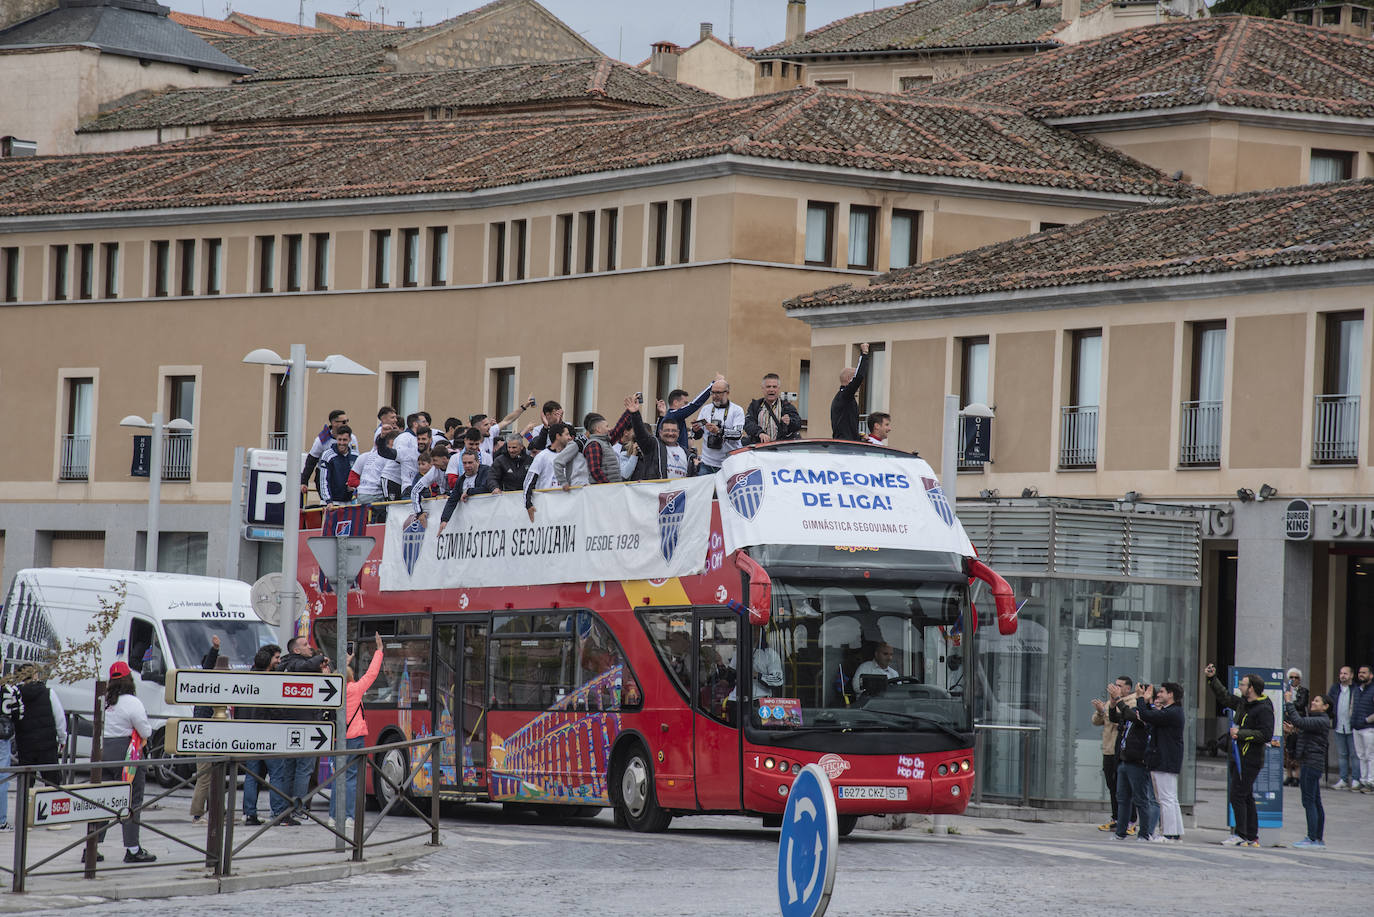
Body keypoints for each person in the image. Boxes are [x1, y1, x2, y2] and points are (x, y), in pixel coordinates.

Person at [1204, 663, 1274, 846]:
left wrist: (1240, 733)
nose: (1240, 687)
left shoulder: (1264, 708)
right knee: (1246, 796)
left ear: (1251, 688)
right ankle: (1251, 836)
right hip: (1237, 756)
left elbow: (1266, 734)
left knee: (1237, 795)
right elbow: (1226, 698)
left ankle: (1241, 834)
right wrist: (1212, 679)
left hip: (1250, 759)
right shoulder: (1244, 702)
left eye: (1243, 684)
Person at [96, 661, 155, 863]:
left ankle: (92, 846)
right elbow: (145, 731)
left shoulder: (106, 701)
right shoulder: (132, 702)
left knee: (103, 802)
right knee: (132, 801)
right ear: (129, 679)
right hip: (128, 754)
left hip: (106, 754)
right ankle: (132, 848)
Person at [340, 634, 384, 828]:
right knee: (351, 778)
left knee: (337, 778)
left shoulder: (332, 691)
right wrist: (379, 651)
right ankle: (350, 817)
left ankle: (334, 817)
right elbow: (372, 674)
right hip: (355, 737)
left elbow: (333, 676)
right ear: (351, 677)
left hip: (336, 739)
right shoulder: (355, 690)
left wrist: (345, 661)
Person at [279, 637, 325, 818]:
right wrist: (320, 657)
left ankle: (286, 807)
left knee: (290, 768)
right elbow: (305, 666)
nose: (310, 647)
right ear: (296, 650)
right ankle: (298, 808)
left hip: (291, 723)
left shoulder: (285, 665)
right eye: (305, 645)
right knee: (304, 768)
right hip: (305, 723)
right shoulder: (297, 664)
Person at [1134, 681, 1184, 842]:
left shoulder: (1172, 712)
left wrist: (1141, 699)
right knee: (1171, 798)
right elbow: (1152, 719)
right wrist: (1147, 704)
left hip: (1165, 760)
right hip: (1166, 760)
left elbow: (1148, 716)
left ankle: (1168, 834)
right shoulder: (1171, 712)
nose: (1159, 694)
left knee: (1166, 798)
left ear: (1170, 695)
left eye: (1162, 692)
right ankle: (1175, 833)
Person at [237, 642, 280, 827]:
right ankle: (278, 813)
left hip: (249, 735)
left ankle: (249, 814)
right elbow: (273, 710)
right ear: (269, 660)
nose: (279, 661)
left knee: (252, 775)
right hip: (268, 734)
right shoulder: (271, 681)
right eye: (277, 657)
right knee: (277, 774)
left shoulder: (247, 679)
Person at [1111, 681, 1158, 842]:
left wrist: (1119, 699)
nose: (1139, 696)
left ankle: (1144, 834)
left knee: (1141, 799)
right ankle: (1120, 832)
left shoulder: (1150, 714)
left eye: (1143, 693)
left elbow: (1135, 717)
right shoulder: (1134, 710)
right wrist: (1112, 703)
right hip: (1124, 760)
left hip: (1137, 762)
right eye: (1139, 694)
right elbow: (1115, 717)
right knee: (1122, 798)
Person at [1284, 689, 1330, 848]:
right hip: (1310, 763)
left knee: (1309, 801)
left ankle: (1312, 838)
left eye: (1317, 701)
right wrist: (1293, 732)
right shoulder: (1316, 720)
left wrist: (1289, 702)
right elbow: (1304, 730)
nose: (1313, 703)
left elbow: (1300, 721)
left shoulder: (1322, 720)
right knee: (1315, 801)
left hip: (1312, 764)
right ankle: (1317, 838)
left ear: (1325, 707)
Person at [1091, 676, 1134, 833]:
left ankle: (1131, 820)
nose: (1115, 688)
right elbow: (1096, 721)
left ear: (1127, 689)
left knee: (1125, 788)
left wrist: (1106, 710)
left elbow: (1120, 718)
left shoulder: (1132, 702)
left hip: (1122, 752)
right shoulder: (1112, 702)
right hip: (1108, 750)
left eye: (1119, 685)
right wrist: (1100, 711)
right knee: (1112, 786)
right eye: (1115, 685)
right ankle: (1116, 818)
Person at [13, 664, 65, 787]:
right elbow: (60, 718)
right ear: (35, 675)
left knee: (26, 784)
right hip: (47, 745)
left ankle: (25, 806)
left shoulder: (16, 695)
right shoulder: (48, 692)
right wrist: (62, 738)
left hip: (25, 745)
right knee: (52, 783)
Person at [301, 409, 356, 498]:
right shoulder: (321, 440)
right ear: (334, 423)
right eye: (344, 422)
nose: (346, 424)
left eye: (347, 421)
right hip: (325, 474)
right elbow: (311, 461)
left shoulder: (352, 438)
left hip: (344, 473)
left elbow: (355, 459)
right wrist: (304, 482)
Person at [524, 422, 572, 521]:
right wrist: (528, 504)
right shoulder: (542, 456)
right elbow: (529, 482)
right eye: (567, 434)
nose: (570, 437)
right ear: (558, 436)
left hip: (565, 508)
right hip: (546, 508)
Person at [438, 452, 497, 532]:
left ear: (477, 462)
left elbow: (486, 488)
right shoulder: (461, 479)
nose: (467, 466)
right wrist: (444, 520)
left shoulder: (486, 471)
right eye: (464, 463)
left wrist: (469, 492)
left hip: (488, 518)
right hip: (471, 521)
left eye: (470, 463)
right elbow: (452, 500)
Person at [628, 412, 696, 481]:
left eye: (674, 431)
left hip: (681, 490)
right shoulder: (654, 447)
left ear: (678, 433)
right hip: (658, 490)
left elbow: (693, 480)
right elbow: (641, 435)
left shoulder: (687, 454)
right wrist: (635, 414)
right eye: (667, 430)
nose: (670, 433)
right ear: (660, 432)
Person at [697, 379, 746, 474]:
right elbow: (697, 435)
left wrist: (719, 431)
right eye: (713, 392)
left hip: (730, 463)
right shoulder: (705, 409)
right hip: (707, 463)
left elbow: (738, 434)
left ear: (727, 393)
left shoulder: (737, 410)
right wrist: (695, 430)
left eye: (718, 393)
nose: (715, 396)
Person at [743, 373, 801, 445]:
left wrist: (790, 422)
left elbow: (798, 423)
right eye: (768, 386)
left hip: (781, 450)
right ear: (763, 388)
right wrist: (759, 433)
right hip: (760, 448)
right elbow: (748, 423)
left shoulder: (787, 406)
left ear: (778, 389)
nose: (771, 389)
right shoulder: (755, 405)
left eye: (774, 387)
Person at [830, 342, 869, 441]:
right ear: (849, 379)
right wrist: (864, 354)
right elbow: (859, 377)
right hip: (844, 447)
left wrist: (859, 437)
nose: (859, 386)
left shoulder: (844, 397)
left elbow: (846, 426)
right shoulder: (844, 396)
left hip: (846, 444)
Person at [1329, 665, 1356, 789]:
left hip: (1352, 727)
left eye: (1345, 673)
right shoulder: (1335, 688)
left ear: (1351, 675)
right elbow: (1329, 703)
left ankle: (1356, 779)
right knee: (1342, 754)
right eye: (1341, 673)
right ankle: (1343, 780)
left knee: (1355, 755)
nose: (1342, 675)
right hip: (1339, 725)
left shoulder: (1355, 689)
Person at [0, 679, 21, 830]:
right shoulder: (9, 689)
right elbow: (19, 713)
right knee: (2, 776)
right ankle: (1, 820)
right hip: (3, 735)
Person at [318, 425, 357, 505]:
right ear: (336, 439)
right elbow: (323, 480)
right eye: (339, 440)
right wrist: (328, 501)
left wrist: (354, 488)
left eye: (345, 440)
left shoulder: (355, 455)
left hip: (349, 502)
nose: (342, 443)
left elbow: (359, 478)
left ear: (350, 440)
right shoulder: (328, 455)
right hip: (331, 503)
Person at [1353, 664, 1374, 792]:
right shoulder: (1357, 689)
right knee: (1361, 756)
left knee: (1370, 755)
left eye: (1364, 673)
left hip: (1368, 728)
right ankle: (1363, 780)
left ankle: (1371, 783)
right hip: (1356, 727)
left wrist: (1366, 720)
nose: (1361, 674)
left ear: (1371, 675)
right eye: (1360, 672)